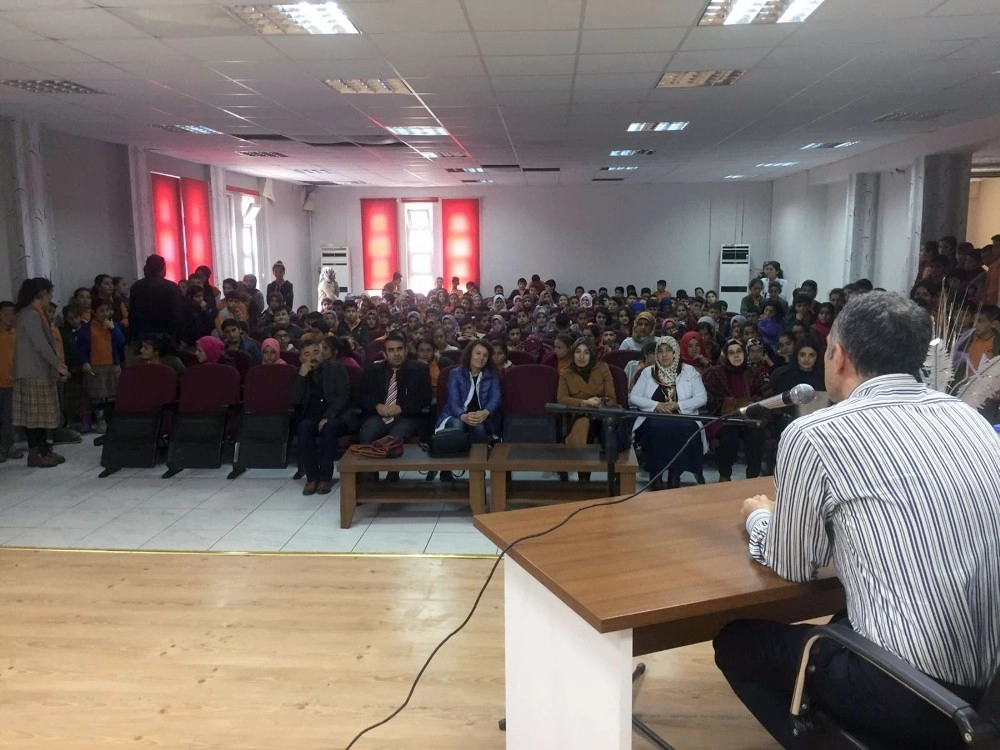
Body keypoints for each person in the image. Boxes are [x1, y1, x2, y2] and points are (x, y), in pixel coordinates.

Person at [715, 291, 1000, 750]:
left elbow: (792, 564)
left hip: (916, 692)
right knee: (845, 618)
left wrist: (760, 518)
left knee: (737, 644)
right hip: (989, 689)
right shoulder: (970, 421)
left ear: (839, 356)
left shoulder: (815, 433)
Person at [629, 336, 707, 490]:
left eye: (668, 351)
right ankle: (655, 474)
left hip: (683, 416)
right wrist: (656, 405)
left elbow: (702, 398)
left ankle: (674, 474)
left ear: (676, 352)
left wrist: (678, 405)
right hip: (654, 417)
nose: (664, 355)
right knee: (657, 429)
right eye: (660, 351)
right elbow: (634, 397)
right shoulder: (647, 372)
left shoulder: (689, 371)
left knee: (684, 429)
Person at [357, 331, 432, 477]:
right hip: (379, 415)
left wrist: (401, 407)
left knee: (396, 435)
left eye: (399, 349)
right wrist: (377, 406)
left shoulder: (419, 370)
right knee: (368, 431)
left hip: (407, 416)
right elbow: (361, 396)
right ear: (384, 354)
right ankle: (369, 480)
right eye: (391, 350)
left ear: (405, 350)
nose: (396, 354)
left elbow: (425, 398)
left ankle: (392, 478)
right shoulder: (372, 370)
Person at [12, 278, 69, 468]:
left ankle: (44, 451)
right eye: (50, 294)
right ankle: (36, 454)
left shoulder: (37, 313)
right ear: (42, 293)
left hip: (39, 371)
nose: (51, 298)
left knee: (42, 416)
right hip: (32, 372)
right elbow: (41, 346)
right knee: (35, 417)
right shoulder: (29, 315)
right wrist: (58, 365)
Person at [702, 338, 770, 481]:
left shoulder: (754, 372)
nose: (736, 356)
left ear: (744, 354)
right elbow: (711, 400)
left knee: (756, 434)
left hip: (749, 417)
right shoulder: (714, 373)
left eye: (739, 352)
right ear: (725, 356)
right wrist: (734, 403)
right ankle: (724, 475)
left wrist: (749, 402)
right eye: (731, 353)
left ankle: (752, 476)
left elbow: (767, 394)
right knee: (729, 437)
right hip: (724, 419)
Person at [292, 341, 354, 496]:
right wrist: (301, 376)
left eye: (316, 352)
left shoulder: (336, 368)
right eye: (307, 354)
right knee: (304, 427)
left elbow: (343, 397)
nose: (313, 357)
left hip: (338, 416)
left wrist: (328, 416)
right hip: (312, 417)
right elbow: (294, 400)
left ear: (322, 354)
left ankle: (325, 478)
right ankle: (312, 478)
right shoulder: (299, 373)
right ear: (301, 358)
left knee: (328, 428)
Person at [557, 337, 617, 482]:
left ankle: (616, 470)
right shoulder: (566, 372)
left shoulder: (602, 368)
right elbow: (561, 399)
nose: (582, 357)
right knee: (583, 424)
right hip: (579, 414)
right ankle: (583, 474)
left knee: (608, 426)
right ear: (573, 353)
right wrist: (584, 402)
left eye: (586, 353)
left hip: (601, 414)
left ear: (592, 354)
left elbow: (612, 398)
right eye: (578, 352)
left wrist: (598, 402)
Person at [436, 339, 501, 445]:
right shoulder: (455, 374)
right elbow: (453, 402)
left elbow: (495, 398)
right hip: (456, 415)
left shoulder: (492, 374)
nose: (481, 358)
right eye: (478, 353)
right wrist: (463, 416)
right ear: (470, 354)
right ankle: (455, 459)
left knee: (479, 428)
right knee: (458, 425)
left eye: (485, 355)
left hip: (481, 416)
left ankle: (478, 460)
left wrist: (486, 412)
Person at [76, 299, 126, 434]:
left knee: (113, 395)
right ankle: (101, 421)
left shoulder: (114, 326)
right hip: (95, 367)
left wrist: (114, 329)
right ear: (94, 312)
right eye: (101, 310)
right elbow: (80, 348)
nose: (105, 313)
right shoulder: (86, 328)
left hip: (112, 366)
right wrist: (84, 361)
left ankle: (114, 421)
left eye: (107, 310)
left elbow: (121, 343)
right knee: (97, 396)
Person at [129, 254, 183, 344]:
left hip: (143, 334)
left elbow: (133, 313)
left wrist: (134, 335)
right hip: (166, 335)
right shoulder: (171, 287)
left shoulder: (136, 286)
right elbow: (177, 314)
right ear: (162, 268)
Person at [0, 300, 25, 462]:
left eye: (13, 314)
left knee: (8, 417)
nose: (10, 317)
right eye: (6, 314)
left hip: (11, 382)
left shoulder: (16, 333)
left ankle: (8, 446)